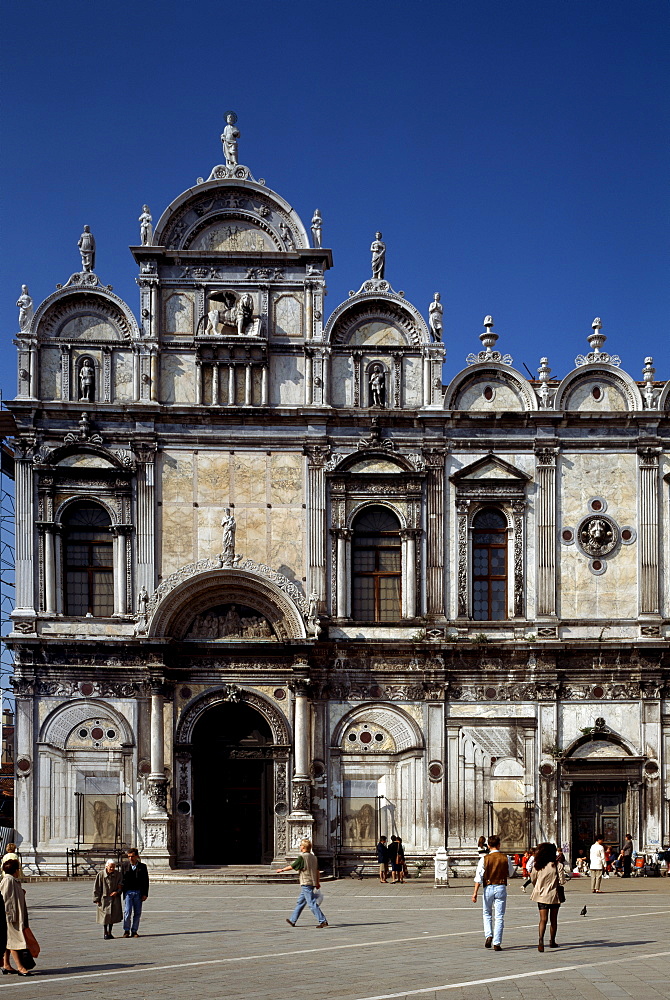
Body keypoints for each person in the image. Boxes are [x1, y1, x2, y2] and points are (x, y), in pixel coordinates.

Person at [471, 834, 515, 951]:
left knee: (487, 913)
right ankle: (497, 942)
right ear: (499, 845)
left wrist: (475, 892)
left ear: (489, 846)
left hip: (488, 887)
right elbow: (511, 873)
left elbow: (478, 877)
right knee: (499, 916)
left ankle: (489, 935)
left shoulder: (484, 859)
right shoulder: (506, 858)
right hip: (501, 886)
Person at [276, 838, 328, 927]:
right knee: (300, 902)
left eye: (300, 845)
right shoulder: (314, 857)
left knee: (311, 903)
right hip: (312, 882)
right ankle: (293, 920)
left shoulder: (302, 857)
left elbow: (293, 866)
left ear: (303, 847)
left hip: (306, 882)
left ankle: (322, 920)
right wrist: (317, 882)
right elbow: (317, 871)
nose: (299, 846)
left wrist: (282, 870)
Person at [530, 842, 566, 952]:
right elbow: (562, 881)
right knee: (553, 919)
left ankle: (540, 940)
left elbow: (533, 879)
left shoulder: (538, 865)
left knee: (543, 919)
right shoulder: (557, 865)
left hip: (541, 895)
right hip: (554, 895)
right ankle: (552, 941)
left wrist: (539, 885)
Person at [0, 860, 31, 975]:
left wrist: (21, 892)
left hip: (12, 915)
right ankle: (20, 967)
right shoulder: (8, 880)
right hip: (10, 916)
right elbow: (4, 898)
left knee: (8, 941)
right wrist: (8, 914)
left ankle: (6, 964)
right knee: (14, 941)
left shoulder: (12, 880)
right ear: (16, 870)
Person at [120, 848, 149, 937]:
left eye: (132, 856)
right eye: (129, 856)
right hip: (128, 892)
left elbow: (145, 881)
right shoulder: (124, 866)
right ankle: (126, 930)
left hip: (138, 892)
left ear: (137, 856)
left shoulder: (142, 867)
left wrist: (145, 894)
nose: (130, 858)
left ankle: (134, 930)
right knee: (127, 912)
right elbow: (121, 879)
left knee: (137, 912)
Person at [93, 859, 123, 939]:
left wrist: (117, 892)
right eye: (110, 867)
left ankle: (110, 932)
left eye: (113, 867)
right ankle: (105, 932)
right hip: (104, 899)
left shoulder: (118, 874)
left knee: (112, 916)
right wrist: (97, 899)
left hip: (114, 898)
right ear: (106, 866)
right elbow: (97, 887)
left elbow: (121, 885)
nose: (112, 869)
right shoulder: (101, 875)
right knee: (105, 916)